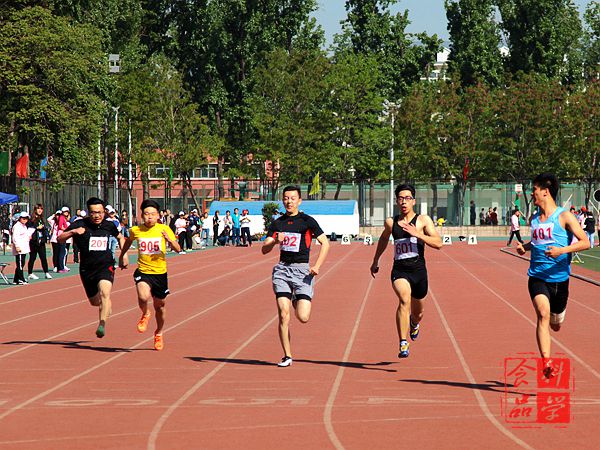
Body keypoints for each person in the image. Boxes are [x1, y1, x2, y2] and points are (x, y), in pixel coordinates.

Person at [516, 173, 589, 378]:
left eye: (534, 190)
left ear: (545, 192)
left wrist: (562, 251)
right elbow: (537, 242)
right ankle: (546, 362)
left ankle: (558, 317)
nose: (532, 193)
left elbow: (585, 242)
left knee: (555, 325)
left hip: (560, 280)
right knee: (542, 314)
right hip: (538, 277)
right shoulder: (534, 219)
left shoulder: (564, 217)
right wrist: (525, 247)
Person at [370, 184, 442, 359]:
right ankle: (403, 342)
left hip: (419, 271)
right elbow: (383, 239)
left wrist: (418, 234)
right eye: (401, 198)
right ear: (397, 201)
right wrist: (375, 260)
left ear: (413, 201)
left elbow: (439, 243)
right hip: (400, 270)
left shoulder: (423, 220)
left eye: (407, 198)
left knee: (418, 313)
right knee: (404, 299)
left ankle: (414, 323)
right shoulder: (391, 222)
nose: (404, 202)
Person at [262, 185, 330, 367]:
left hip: (302, 272)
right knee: (283, 314)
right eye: (286, 198)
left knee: (303, 317)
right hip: (282, 271)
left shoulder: (307, 221)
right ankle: (287, 356)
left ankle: (295, 299)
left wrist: (317, 266)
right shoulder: (278, 223)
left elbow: (325, 243)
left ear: (299, 201)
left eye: (292, 198)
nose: (289, 201)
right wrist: (275, 241)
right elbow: (264, 249)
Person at [58, 197, 125, 338]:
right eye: (94, 212)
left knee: (105, 293)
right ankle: (105, 306)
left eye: (100, 212)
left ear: (104, 212)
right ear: (88, 212)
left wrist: (123, 255)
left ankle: (102, 324)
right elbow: (60, 238)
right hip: (87, 269)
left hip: (105, 266)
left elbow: (120, 237)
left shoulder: (109, 225)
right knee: (95, 302)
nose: (97, 216)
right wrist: (73, 232)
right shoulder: (79, 224)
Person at [119, 199, 181, 351]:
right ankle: (146, 313)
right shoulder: (136, 230)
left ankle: (158, 332)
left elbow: (178, 249)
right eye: (146, 214)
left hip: (160, 273)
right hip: (143, 270)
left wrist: (169, 240)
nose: (150, 217)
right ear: (142, 215)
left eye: (153, 214)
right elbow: (128, 242)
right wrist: (122, 255)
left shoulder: (164, 229)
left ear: (158, 215)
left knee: (160, 307)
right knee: (143, 296)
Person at [27, 204, 52, 280]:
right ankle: (30, 273)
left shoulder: (41, 219)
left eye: (41, 209)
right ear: (35, 210)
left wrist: (46, 237)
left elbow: (44, 229)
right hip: (34, 241)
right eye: (38, 208)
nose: (40, 210)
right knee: (32, 257)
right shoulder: (31, 219)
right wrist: (37, 227)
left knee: (43, 257)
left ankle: (46, 272)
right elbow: (29, 229)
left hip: (41, 241)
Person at [12, 212, 34, 285]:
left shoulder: (24, 226)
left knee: (22, 263)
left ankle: (16, 279)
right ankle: (21, 279)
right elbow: (15, 237)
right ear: (20, 218)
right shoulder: (17, 226)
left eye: (26, 218)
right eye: (23, 218)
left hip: (24, 247)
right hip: (19, 248)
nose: (25, 220)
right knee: (20, 264)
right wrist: (17, 246)